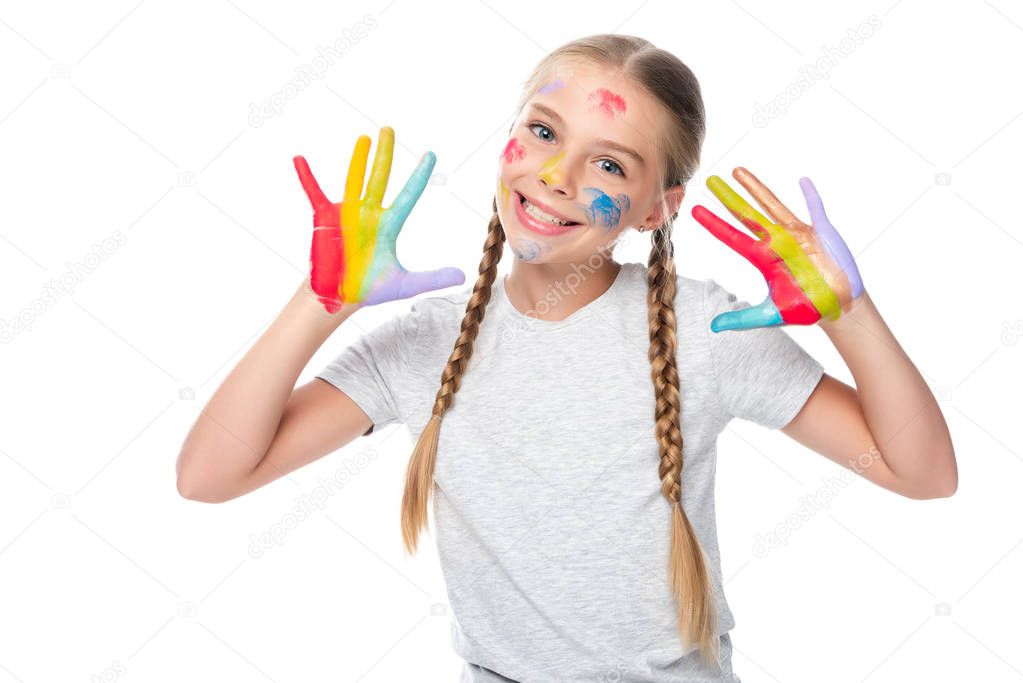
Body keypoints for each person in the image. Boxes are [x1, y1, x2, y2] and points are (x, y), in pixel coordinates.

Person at [176, 33, 958, 682]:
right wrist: (321, 304)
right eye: (544, 132)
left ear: (657, 207)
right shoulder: (429, 341)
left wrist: (851, 315)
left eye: (609, 164)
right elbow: (210, 474)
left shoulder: (705, 331)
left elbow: (921, 472)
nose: (555, 175)